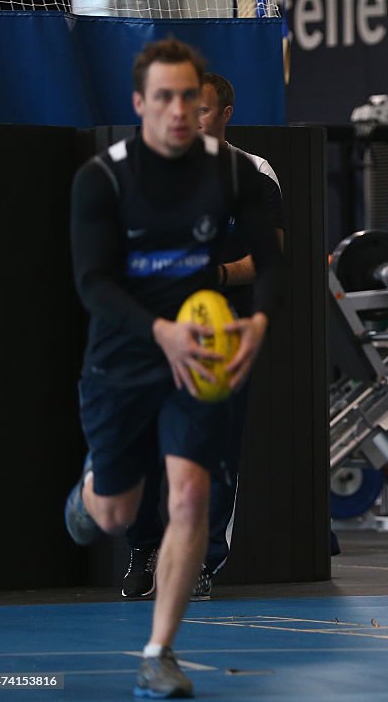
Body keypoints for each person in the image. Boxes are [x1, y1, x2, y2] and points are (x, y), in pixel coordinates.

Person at [64, 39, 285, 698]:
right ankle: (91, 491)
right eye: (164, 96)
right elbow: (93, 283)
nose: (179, 108)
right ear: (140, 105)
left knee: (190, 494)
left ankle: (159, 651)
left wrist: (259, 320)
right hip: (125, 352)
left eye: (190, 95)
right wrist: (159, 328)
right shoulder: (102, 179)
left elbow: (270, 262)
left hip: (201, 354)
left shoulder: (237, 174)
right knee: (113, 512)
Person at [120, 72, 285, 602]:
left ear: (226, 113)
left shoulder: (254, 174)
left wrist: (214, 277)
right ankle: (145, 549)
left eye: (204, 110)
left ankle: (200, 560)